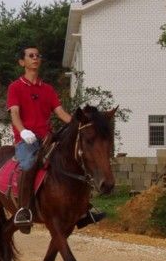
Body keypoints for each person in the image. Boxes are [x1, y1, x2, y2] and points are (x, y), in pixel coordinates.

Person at [7, 45, 105, 233]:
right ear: (22, 62)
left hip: (47, 138)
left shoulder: (48, 89)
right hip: (26, 139)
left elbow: (61, 113)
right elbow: (15, 113)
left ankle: (83, 209)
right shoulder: (15, 87)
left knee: (74, 160)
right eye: (31, 56)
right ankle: (24, 209)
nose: (35, 58)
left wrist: (80, 125)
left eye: (38, 55)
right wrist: (22, 131)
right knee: (28, 164)